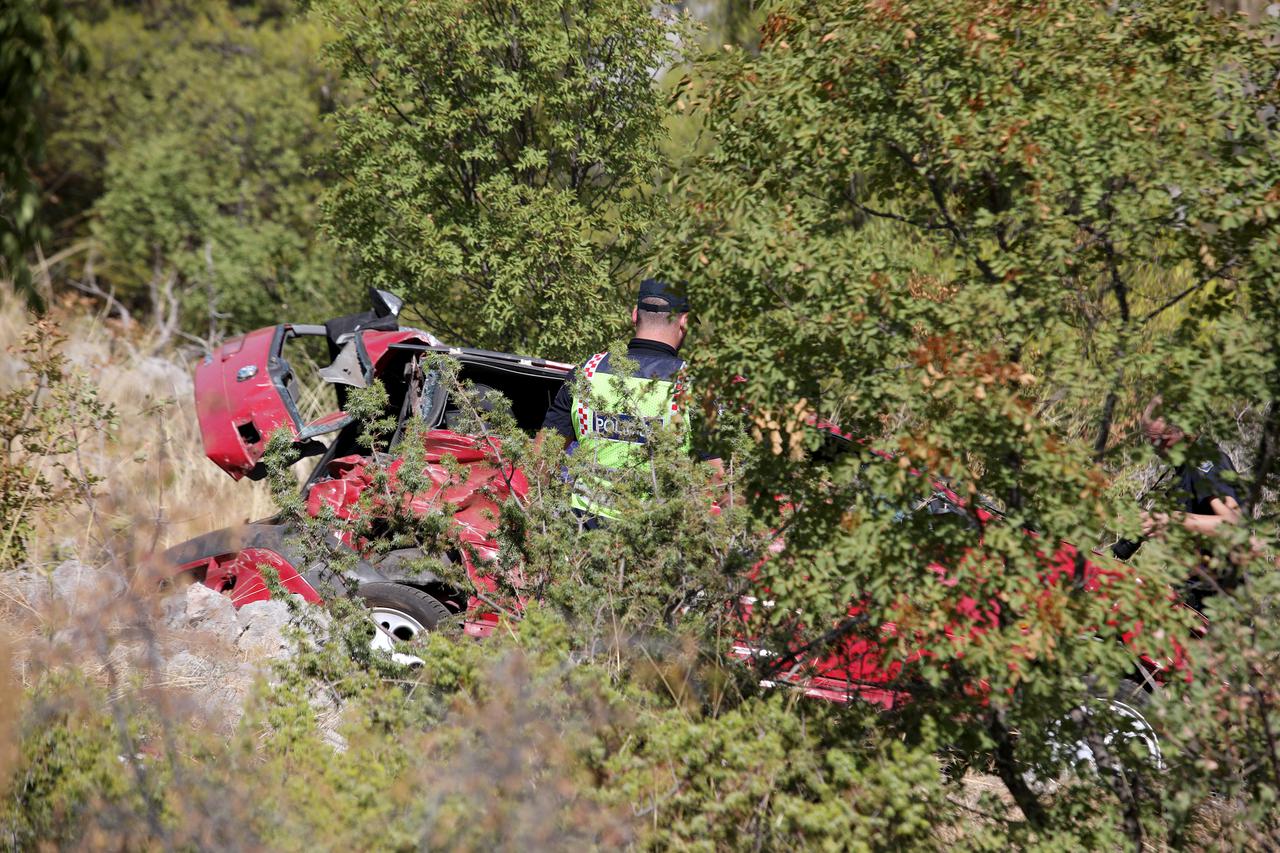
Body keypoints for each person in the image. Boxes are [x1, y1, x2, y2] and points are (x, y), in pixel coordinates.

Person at [542, 278, 695, 522]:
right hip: (655, 540)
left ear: (635, 315)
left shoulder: (587, 372)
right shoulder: (691, 385)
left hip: (582, 533)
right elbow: (718, 480)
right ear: (684, 321)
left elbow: (542, 458)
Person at [1111, 395, 1245, 604]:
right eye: (1150, 441)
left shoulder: (1205, 461)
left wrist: (1170, 519)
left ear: (1182, 429)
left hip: (1219, 602)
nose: (1155, 448)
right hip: (1194, 592)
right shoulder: (1185, 468)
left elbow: (1233, 523)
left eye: (1159, 440)